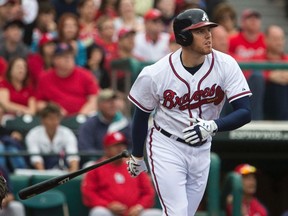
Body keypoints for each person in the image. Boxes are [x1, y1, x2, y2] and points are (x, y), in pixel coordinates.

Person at [126, 8, 252, 216]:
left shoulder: (225, 64)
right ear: (184, 36)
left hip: (202, 149)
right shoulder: (156, 73)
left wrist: (214, 125)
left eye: (208, 30)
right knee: (177, 212)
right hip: (167, 145)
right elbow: (140, 116)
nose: (208, 35)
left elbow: (245, 112)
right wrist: (137, 156)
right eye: (200, 31)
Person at [81, 131, 162, 216]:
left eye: (122, 145)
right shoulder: (96, 168)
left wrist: (139, 207)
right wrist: (107, 205)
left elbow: (149, 192)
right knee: (98, 212)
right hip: (110, 212)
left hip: (135, 213)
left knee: (158, 214)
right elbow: (89, 194)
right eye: (115, 145)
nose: (120, 148)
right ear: (107, 149)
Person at [36, 42, 100, 116]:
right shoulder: (45, 77)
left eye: (70, 56)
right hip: (56, 119)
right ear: (55, 60)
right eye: (64, 56)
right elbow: (39, 103)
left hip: (83, 118)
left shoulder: (85, 74)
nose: (68, 59)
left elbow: (94, 98)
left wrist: (81, 115)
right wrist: (54, 110)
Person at [228, 9, 266, 120]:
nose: (254, 20)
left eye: (256, 18)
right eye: (250, 18)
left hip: (261, 84)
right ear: (243, 22)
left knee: (258, 77)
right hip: (238, 82)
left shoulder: (265, 40)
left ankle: (256, 121)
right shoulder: (233, 39)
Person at [25, 103, 80, 172]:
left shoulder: (67, 133)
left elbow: (73, 156)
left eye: (57, 118)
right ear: (43, 120)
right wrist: (44, 176)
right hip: (41, 170)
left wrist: (72, 173)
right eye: (51, 118)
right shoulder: (33, 134)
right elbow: (36, 158)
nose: (55, 122)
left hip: (63, 169)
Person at [78, 89, 132, 159]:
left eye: (115, 101)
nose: (113, 104)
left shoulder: (126, 123)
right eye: (108, 101)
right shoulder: (89, 124)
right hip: (96, 163)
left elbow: (133, 147)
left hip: (123, 162)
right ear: (99, 105)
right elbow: (86, 149)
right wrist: (102, 160)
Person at [255, 25, 288, 120]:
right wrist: (269, 76)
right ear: (266, 40)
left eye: (282, 39)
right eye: (276, 39)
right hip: (265, 101)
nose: (280, 43)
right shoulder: (257, 58)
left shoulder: (286, 59)